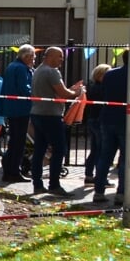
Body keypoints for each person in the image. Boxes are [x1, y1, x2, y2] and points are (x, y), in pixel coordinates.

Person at [28, 45, 84, 197]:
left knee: (39, 150)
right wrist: (77, 92)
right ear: (50, 56)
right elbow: (63, 93)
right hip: (50, 115)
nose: (62, 60)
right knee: (59, 149)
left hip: (37, 114)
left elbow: (54, 92)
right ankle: (54, 185)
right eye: (60, 57)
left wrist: (69, 91)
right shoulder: (51, 71)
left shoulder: (38, 70)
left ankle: (37, 185)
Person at [0, 44, 35, 184]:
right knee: (18, 142)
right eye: (33, 57)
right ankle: (14, 171)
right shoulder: (21, 68)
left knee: (14, 140)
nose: (34, 59)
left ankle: (8, 169)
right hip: (21, 109)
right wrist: (36, 95)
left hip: (11, 108)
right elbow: (24, 88)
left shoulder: (12, 66)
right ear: (27, 56)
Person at [95, 50, 128, 205]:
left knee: (105, 156)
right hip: (125, 120)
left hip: (107, 118)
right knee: (125, 159)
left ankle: (98, 191)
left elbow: (103, 93)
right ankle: (121, 193)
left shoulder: (110, 74)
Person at [82, 63, 111, 187]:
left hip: (91, 120)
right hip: (99, 121)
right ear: (101, 75)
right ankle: (101, 178)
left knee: (94, 149)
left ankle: (89, 175)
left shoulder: (92, 87)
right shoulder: (102, 88)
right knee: (101, 151)